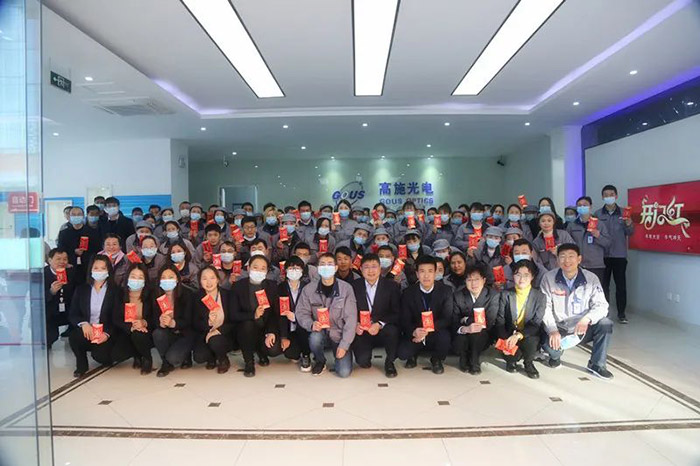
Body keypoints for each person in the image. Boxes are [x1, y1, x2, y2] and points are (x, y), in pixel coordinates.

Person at [540, 244, 614, 380]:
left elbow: (602, 305)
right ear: (557, 260)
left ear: (579, 259)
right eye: (562, 257)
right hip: (559, 328)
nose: (567, 261)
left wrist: (587, 319)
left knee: (605, 323)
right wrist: (552, 330)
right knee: (552, 350)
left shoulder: (591, 279)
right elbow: (545, 307)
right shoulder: (548, 278)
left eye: (571, 256)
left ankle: (597, 364)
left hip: (582, 328)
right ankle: (555, 356)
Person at [296, 253, 358, 377]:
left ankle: (340, 354)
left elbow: (351, 319)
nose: (326, 267)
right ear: (318, 268)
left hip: (338, 334)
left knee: (344, 372)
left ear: (335, 268)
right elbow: (301, 312)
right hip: (320, 331)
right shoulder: (308, 289)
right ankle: (320, 360)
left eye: (329, 264)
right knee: (314, 338)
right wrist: (311, 324)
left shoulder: (346, 289)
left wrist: (344, 345)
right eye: (322, 264)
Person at [397, 255, 452, 374]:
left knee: (445, 338)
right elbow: (405, 319)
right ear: (417, 274)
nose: (426, 276)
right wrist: (414, 331)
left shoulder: (446, 291)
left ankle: (436, 359)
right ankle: (414, 355)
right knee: (402, 353)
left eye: (430, 271)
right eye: (422, 271)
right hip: (416, 332)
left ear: (435, 273)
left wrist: (429, 329)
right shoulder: (408, 293)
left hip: (436, 331)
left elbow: (447, 318)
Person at [230, 254, 281, 377]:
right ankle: (249, 361)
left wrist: (271, 331)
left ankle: (260, 350)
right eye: (255, 267)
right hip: (245, 328)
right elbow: (233, 314)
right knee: (247, 325)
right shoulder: (238, 286)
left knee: (274, 349)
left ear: (267, 271)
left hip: (265, 327)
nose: (259, 271)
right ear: (248, 268)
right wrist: (253, 315)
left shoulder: (272, 286)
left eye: (263, 268)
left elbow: (275, 313)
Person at [351, 254, 401, 378]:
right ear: (361, 269)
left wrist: (379, 324)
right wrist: (355, 324)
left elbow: (397, 313)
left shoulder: (391, 286)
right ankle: (365, 356)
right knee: (362, 361)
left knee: (393, 331)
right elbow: (349, 310)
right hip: (363, 329)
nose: (370, 271)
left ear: (380, 268)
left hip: (383, 327)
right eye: (366, 267)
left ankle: (390, 362)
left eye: (374, 266)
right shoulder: (354, 286)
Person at [68, 254, 118, 377]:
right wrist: (84, 324)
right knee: (74, 337)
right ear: (91, 269)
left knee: (101, 356)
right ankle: (81, 364)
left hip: (104, 331)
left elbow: (117, 318)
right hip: (88, 329)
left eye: (103, 268)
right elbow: (73, 313)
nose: (99, 271)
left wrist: (107, 333)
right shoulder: (81, 289)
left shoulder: (115, 291)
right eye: (96, 268)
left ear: (108, 271)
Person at [496, 259, 545, 379]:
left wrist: (518, 335)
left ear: (532, 277)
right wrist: (505, 340)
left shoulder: (540, 297)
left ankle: (528, 363)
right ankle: (511, 360)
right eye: (518, 275)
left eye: (526, 275)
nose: (521, 279)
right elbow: (500, 320)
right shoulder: (505, 294)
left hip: (527, 333)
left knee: (532, 340)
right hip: (509, 333)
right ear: (513, 276)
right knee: (512, 357)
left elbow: (536, 323)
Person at [595, 184, 635, 324]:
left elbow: (630, 233)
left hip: (619, 255)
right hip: (602, 255)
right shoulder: (597, 214)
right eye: (606, 195)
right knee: (603, 286)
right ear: (602, 197)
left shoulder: (624, 213)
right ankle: (604, 312)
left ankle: (621, 314)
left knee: (621, 286)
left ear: (616, 196)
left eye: (611, 195)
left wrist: (628, 223)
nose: (608, 197)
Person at [452, 263, 500, 374]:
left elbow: (489, 320)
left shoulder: (493, 295)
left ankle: (474, 360)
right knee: (461, 337)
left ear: (484, 280)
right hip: (464, 333)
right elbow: (454, 320)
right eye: (469, 280)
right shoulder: (458, 295)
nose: (473, 284)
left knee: (477, 334)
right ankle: (464, 357)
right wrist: (465, 328)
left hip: (483, 333)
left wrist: (466, 320)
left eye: (477, 279)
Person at [112, 264, 155, 375]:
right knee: (116, 355)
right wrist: (130, 327)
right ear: (127, 277)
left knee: (138, 335)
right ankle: (136, 354)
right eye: (133, 276)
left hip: (145, 331)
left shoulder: (151, 294)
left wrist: (144, 322)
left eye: (140, 277)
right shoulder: (120, 294)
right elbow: (116, 318)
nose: (136, 280)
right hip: (126, 330)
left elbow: (155, 316)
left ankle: (147, 358)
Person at [152, 265, 194, 377]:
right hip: (167, 333)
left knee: (174, 358)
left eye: (170, 277)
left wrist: (173, 323)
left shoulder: (187, 294)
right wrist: (160, 323)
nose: (167, 280)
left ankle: (186, 356)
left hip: (184, 334)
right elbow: (153, 319)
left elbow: (189, 320)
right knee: (158, 333)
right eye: (163, 277)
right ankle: (165, 363)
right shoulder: (156, 295)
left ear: (177, 279)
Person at [192, 266, 233, 374]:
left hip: (224, 333)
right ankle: (212, 357)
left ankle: (223, 359)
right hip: (205, 334)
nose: (209, 282)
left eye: (212, 278)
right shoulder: (196, 297)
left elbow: (233, 320)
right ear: (200, 281)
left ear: (218, 280)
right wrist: (208, 322)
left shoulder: (227, 295)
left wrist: (218, 331)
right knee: (199, 357)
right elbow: (195, 323)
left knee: (215, 341)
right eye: (204, 278)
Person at [277, 256, 313, 371]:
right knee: (291, 353)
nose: (294, 271)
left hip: (303, 327)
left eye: (297, 268)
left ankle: (306, 355)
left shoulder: (308, 287)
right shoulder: (280, 288)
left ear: (302, 271)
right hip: (288, 328)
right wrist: (283, 337)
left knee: (302, 325)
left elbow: (311, 311)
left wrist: (297, 317)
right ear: (286, 270)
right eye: (291, 268)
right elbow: (279, 314)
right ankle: (297, 351)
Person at [567, 196, 611, 284]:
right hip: (577, 265)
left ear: (590, 207)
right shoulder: (572, 225)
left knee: (596, 290)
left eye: (585, 205)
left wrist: (598, 236)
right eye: (579, 205)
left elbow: (608, 243)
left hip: (595, 265)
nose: (582, 207)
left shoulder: (599, 224)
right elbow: (567, 244)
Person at [57, 206, 101, 281]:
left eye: (79, 214)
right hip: (70, 265)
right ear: (69, 216)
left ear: (83, 216)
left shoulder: (92, 232)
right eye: (73, 215)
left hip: (88, 266)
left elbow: (97, 249)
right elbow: (61, 249)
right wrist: (73, 251)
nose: (76, 217)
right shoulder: (64, 233)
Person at [44, 248, 76, 347]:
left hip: (68, 309)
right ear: (49, 260)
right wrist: (51, 292)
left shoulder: (72, 272)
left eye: (65, 259)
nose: (62, 262)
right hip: (50, 311)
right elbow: (37, 297)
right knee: (50, 337)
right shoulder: (42, 274)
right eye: (58, 259)